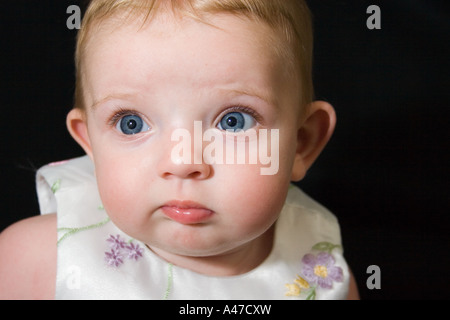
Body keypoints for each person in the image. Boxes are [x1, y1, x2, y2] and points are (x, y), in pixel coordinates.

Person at [0, 0, 359, 299]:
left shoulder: (323, 275)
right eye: (132, 123)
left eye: (234, 121)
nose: (183, 162)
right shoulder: (39, 261)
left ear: (301, 143)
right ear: (91, 143)